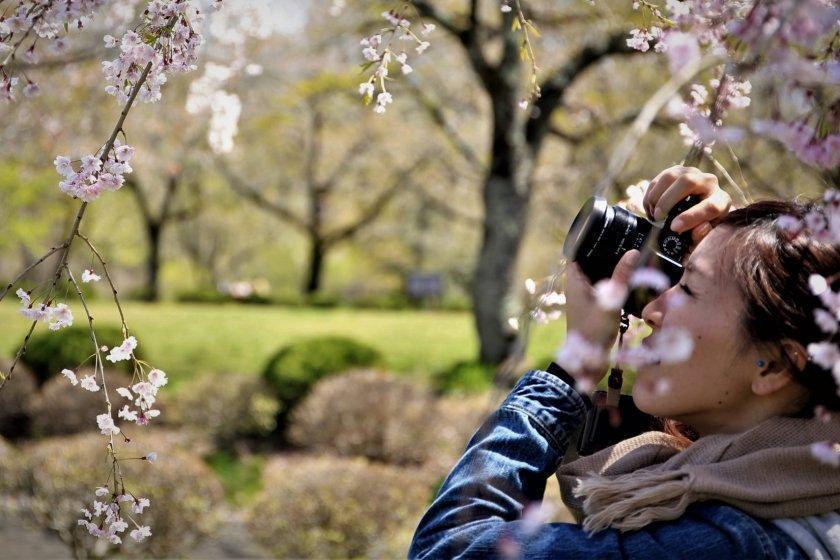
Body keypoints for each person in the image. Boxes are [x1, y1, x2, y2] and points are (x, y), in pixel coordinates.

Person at [408, 166, 840, 559]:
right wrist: (733, 242)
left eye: (688, 288)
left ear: (776, 366)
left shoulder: (726, 544)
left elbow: (446, 549)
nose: (652, 309)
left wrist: (573, 371)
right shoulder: (795, 491)